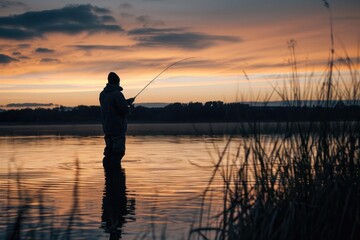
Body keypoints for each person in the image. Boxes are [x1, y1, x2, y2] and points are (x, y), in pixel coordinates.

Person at [99, 72, 135, 166]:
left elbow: (111, 105)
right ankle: (116, 175)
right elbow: (124, 111)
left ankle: (108, 173)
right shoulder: (117, 94)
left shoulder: (103, 94)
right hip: (118, 128)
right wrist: (130, 108)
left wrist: (126, 101)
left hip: (107, 127)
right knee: (118, 152)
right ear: (117, 82)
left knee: (109, 152)